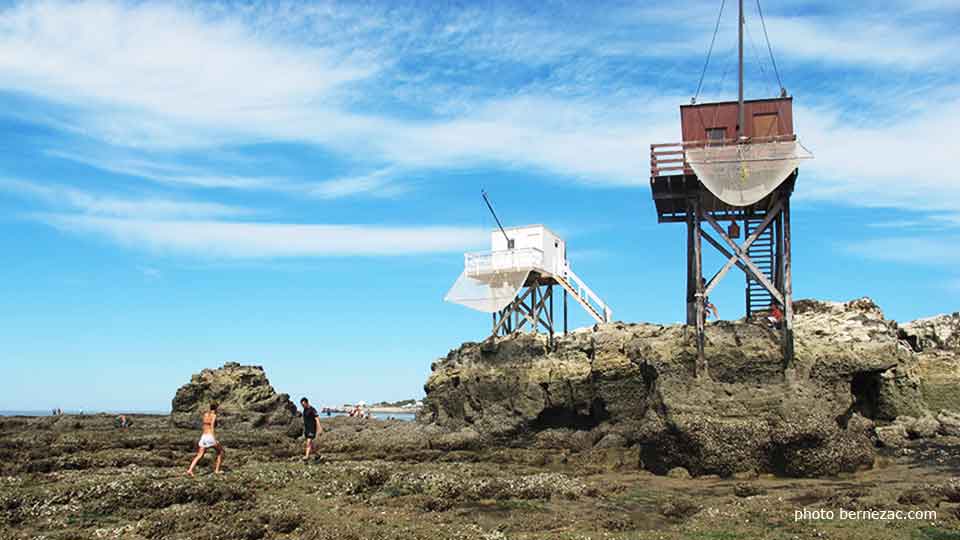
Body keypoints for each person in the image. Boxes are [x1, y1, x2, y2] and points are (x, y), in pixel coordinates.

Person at [186, 403, 224, 476]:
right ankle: (217, 470)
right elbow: (212, 427)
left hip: (204, 436)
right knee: (220, 452)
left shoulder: (205, 414)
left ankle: (190, 470)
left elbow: (204, 425)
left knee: (200, 455)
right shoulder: (214, 416)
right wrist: (214, 438)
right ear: (216, 408)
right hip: (210, 436)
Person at [300, 397, 323, 462]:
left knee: (309, 442)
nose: (303, 406)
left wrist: (319, 428)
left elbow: (317, 419)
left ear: (307, 403)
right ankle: (318, 455)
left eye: (304, 404)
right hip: (307, 429)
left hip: (312, 429)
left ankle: (306, 456)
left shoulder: (312, 409)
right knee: (311, 445)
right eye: (302, 405)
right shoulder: (304, 410)